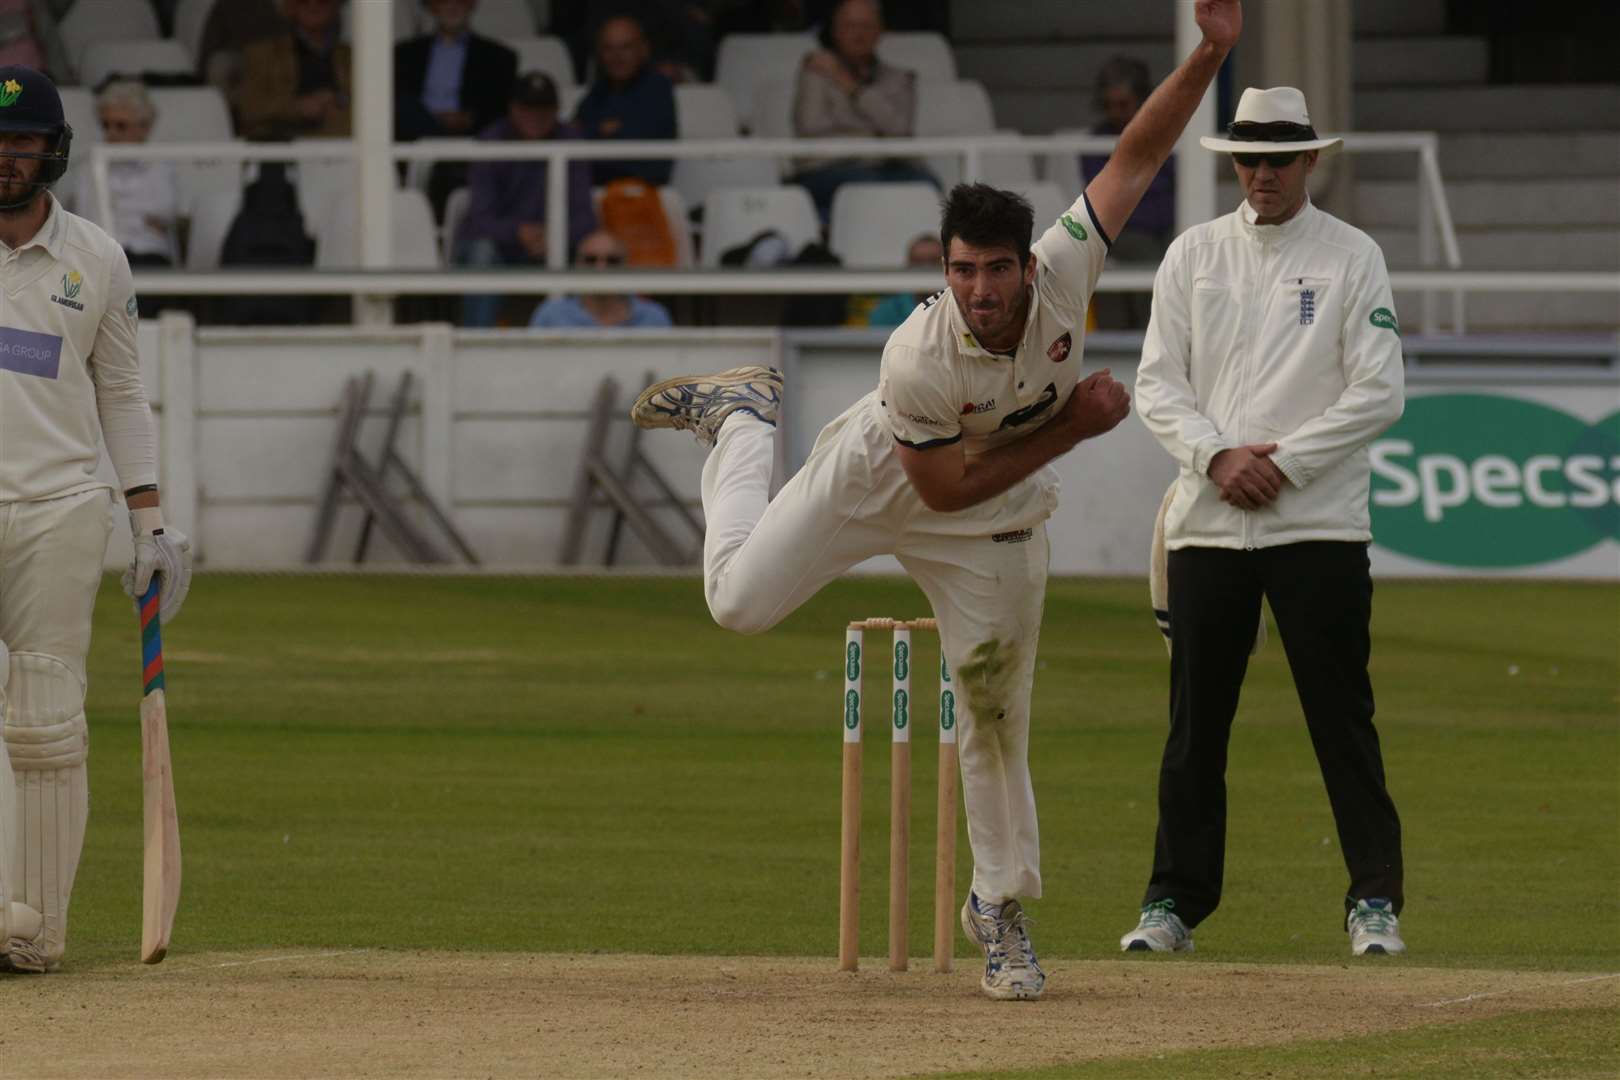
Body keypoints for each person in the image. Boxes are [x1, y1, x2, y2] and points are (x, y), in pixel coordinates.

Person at [630, 0, 1244, 1003]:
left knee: (994, 715)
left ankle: (998, 909)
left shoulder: (1064, 269)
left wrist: (1211, 53)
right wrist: (1073, 430)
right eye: (963, 273)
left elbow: (1138, 155)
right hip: (890, 473)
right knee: (737, 604)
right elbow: (942, 483)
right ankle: (743, 423)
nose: (983, 292)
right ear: (945, 270)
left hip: (993, 527)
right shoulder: (915, 354)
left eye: (997, 271)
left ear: (1025, 265)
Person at [1122, 85, 1408, 959]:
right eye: (1248, 159)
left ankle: (1374, 905)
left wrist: (1280, 461)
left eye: (1279, 160)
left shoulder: (1352, 256)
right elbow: (1156, 383)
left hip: (1315, 522)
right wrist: (1217, 457)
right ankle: (1173, 903)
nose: (1263, 175)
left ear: (1310, 160)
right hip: (1209, 524)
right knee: (1194, 727)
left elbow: (1380, 390)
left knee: (1340, 718)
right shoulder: (1193, 254)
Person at [0, 66, 191, 975]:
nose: (5, 158)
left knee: (45, 722)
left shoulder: (97, 259)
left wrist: (150, 521)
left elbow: (122, 391)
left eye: (20, 142)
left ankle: (32, 932)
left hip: (63, 508)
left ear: (52, 150)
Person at [454, 72, 597, 327]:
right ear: (513, 108)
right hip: (500, 245)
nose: (535, 116)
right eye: (527, 108)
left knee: (594, 251)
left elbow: (585, 216)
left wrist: (555, 234)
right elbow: (480, 218)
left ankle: (579, 344)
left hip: (555, 242)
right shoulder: (490, 142)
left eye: (543, 108)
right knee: (482, 253)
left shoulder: (571, 141)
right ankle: (477, 346)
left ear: (556, 110)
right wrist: (518, 232)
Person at [788, 0, 934, 219]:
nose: (858, 33)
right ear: (835, 30)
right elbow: (810, 129)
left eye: (866, 26)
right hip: (826, 169)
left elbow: (899, 130)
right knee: (870, 187)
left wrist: (849, 86)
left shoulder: (900, 78)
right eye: (850, 25)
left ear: (880, 31)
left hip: (887, 168)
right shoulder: (816, 72)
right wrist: (874, 137)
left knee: (927, 184)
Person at [1080, 56, 1174, 330]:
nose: (1115, 112)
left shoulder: (1166, 133)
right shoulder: (1097, 143)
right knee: (1144, 251)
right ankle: (1150, 334)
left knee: (1182, 247)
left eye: (1123, 105)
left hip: (1166, 227)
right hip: (1125, 230)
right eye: (1109, 105)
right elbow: (1113, 193)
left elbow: (1169, 183)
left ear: (1142, 100)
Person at [72, 79, 179, 316]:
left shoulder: (161, 163)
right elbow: (86, 221)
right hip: (103, 257)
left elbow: (165, 211)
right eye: (106, 125)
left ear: (144, 128)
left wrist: (117, 205)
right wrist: (142, 215)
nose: (110, 133)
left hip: (148, 256)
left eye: (120, 126)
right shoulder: (90, 165)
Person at [572, 14, 677, 187]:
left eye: (626, 47)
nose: (617, 56)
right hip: (593, 191)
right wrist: (602, 130)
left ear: (644, 49)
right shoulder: (600, 89)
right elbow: (573, 135)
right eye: (608, 48)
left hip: (640, 195)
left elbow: (642, 154)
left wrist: (596, 136)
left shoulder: (657, 87)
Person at [394, 0, 518, 142]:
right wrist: (433, 118)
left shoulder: (499, 56)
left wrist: (468, 118)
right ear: (431, 6)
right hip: (414, 138)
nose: (452, 6)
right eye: (444, 1)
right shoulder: (405, 54)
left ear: (472, 4)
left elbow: (500, 108)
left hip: (472, 139)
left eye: (461, 0)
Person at [233, 0, 351, 141]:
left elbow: (370, 104)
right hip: (283, 148)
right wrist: (298, 107)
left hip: (342, 147)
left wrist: (338, 101)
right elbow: (249, 108)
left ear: (336, 5)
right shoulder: (262, 54)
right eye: (302, 1)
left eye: (323, 1)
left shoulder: (354, 57)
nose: (313, 5)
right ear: (290, 6)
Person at [529, 228, 674, 328]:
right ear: (578, 265)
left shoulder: (654, 317)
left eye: (612, 261)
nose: (601, 268)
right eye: (591, 260)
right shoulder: (551, 316)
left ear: (626, 266)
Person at [858, 232, 941, 327]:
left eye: (934, 261)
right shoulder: (885, 312)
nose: (926, 268)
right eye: (918, 262)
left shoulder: (957, 307)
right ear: (907, 267)